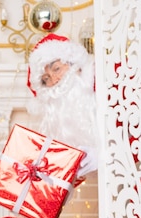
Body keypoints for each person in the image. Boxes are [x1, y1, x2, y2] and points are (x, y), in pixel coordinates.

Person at [27, 33, 100, 178]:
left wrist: (105, 156)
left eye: (56, 69)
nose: (55, 79)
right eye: (45, 79)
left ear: (73, 63)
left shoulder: (105, 81)